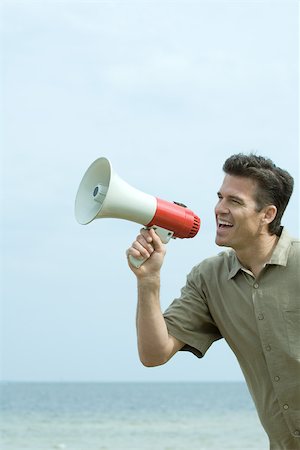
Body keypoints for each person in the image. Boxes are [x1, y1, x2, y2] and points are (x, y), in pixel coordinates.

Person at [126, 153, 300, 450]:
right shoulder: (209, 278)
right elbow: (154, 353)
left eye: (235, 201)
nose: (219, 208)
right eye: (220, 197)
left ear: (267, 214)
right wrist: (148, 281)